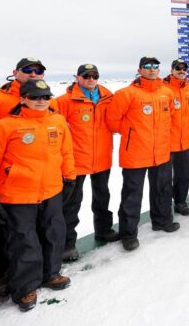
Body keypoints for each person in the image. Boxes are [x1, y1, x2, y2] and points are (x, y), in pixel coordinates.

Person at [0, 79, 76, 312]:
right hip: (18, 195)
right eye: (35, 97)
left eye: (45, 97)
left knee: (53, 234)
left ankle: (51, 274)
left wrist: (70, 176)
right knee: (24, 241)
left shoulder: (57, 120)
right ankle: (25, 286)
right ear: (23, 98)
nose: (41, 101)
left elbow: (66, 151)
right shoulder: (5, 126)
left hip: (51, 190)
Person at [0, 57, 55, 299]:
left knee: (31, 231)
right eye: (27, 70)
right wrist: (3, 174)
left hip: (35, 182)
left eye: (38, 70)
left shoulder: (48, 103)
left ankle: (33, 273)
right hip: (2, 182)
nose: (33, 73)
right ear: (15, 72)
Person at [106, 57, 179, 252]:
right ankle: (128, 234)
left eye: (155, 66)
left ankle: (162, 220)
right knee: (132, 195)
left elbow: (171, 117)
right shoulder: (127, 93)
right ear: (139, 70)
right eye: (147, 66)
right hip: (135, 152)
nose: (152, 69)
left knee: (162, 188)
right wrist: (132, 132)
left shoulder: (166, 92)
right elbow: (112, 120)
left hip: (161, 151)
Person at [56, 64, 118, 262]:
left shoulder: (109, 98)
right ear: (77, 77)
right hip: (76, 160)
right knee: (72, 203)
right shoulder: (64, 101)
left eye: (94, 75)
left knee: (103, 197)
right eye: (86, 75)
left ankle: (104, 230)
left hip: (101, 157)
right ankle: (67, 244)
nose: (91, 79)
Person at [162, 59, 189, 215]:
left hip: (186, 142)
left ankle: (180, 202)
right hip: (167, 142)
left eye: (184, 68)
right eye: (178, 68)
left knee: (184, 174)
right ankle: (164, 207)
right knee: (164, 179)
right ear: (172, 69)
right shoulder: (163, 88)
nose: (181, 71)